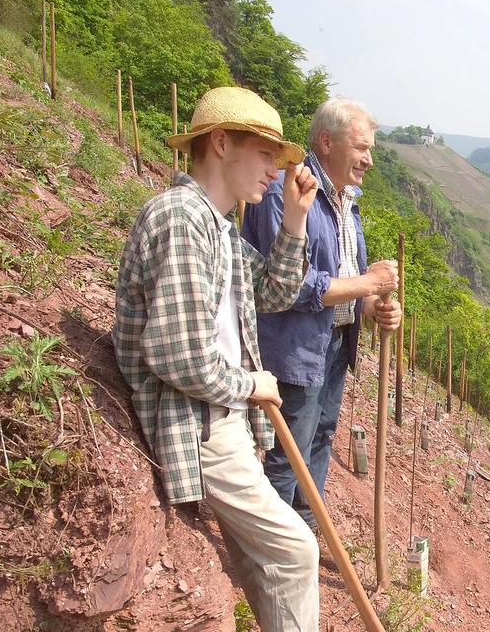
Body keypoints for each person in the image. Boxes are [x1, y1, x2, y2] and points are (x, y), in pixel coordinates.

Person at [113, 86, 320, 631]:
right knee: (296, 553)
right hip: (200, 422)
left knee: (267, 559)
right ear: (222, 143)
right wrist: (252, 385)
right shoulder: (182, 217)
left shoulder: (218, 229)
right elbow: (178, 355)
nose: (276, 173)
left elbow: (275, 293)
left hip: (219, 415)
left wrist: (295, 221)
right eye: (266, 155)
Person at [242, 97, 401, 531]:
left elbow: (347, 277)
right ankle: (272, 548)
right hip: (294, 345)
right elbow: (289, 286)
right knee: (287, 450)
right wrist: (367, 284)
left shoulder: (346, 200)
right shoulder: (286, 190)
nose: (369, 159)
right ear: (326, 142)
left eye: (371, 150)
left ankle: (307, 532)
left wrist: (374, 307)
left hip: (334, 343)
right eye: (361, 147)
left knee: (321, 437)